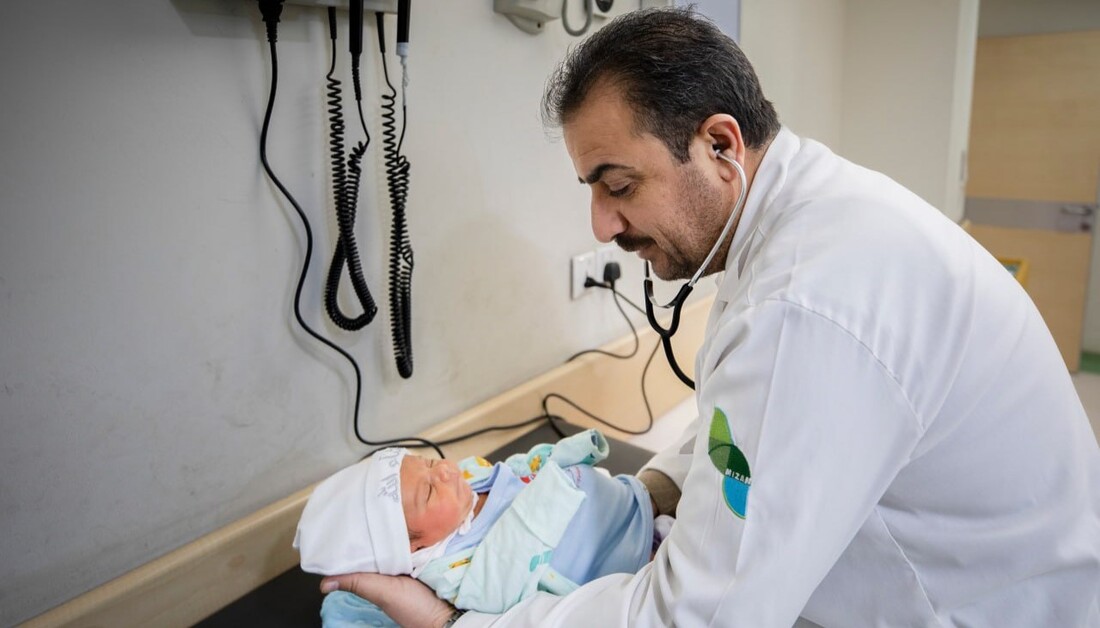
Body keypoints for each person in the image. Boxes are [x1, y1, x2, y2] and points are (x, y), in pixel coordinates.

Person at [319, 7, 1100, 627]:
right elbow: (747, 427)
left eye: (619, 186)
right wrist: (651, 493)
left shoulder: (806, 300)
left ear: (719, 144)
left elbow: (703, 616)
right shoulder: (795, 220)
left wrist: (459, 623)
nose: (601, 224)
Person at [295, 429, 661, 626]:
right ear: (413, 549)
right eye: (428, 491)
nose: (444, 471)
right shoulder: (451, 569)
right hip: (623, 559)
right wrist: (553, 484)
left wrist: (555, 457)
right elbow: (502, 582)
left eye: (427, 463)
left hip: (629, 501)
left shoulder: (464, 479)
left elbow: (514, 471)